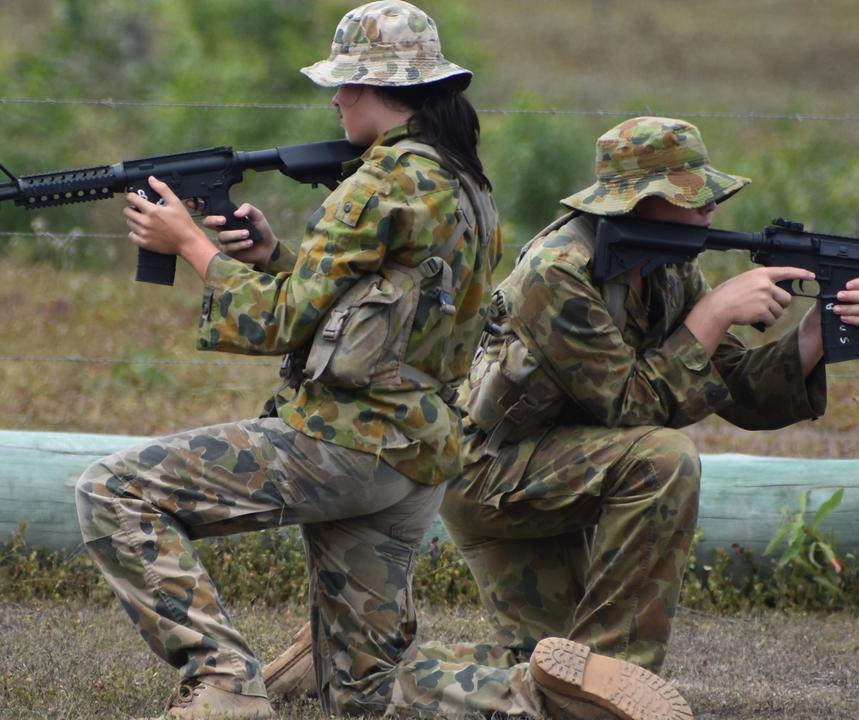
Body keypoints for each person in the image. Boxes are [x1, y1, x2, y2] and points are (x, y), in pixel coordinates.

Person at [75, 3, 693, 719]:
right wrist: (273, 256)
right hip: (413, 462)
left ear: (380, 88)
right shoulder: (465, 186)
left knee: (112, 490)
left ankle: (223, 684)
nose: (335, 100)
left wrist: (190, 244)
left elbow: (277, 319)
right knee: (362, 697)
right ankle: (540, 694)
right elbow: (380, 310)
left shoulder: (379, 184)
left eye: (347, 85)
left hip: (339, 444)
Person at [264, 115, 859, 700]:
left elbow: (732, 385)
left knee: (536, 670)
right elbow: (632, 403)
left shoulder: (666, 269)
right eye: (690, 197)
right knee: (663, 459)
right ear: (636, 204)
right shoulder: (559, 272)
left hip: (559, 465)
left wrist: (811, 339)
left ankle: (343, 655)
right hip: (492, 473)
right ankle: (612, 683)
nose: (709, 210)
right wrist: (713, 316)